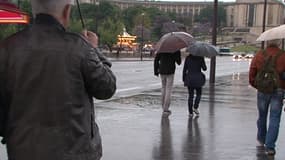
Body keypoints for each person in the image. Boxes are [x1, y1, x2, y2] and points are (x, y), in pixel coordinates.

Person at [0, 0, 116, 160]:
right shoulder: (79, 47)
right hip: (75, 151)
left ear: (34, 11)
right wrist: (94, 50)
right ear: (66, 11)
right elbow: (107, 88)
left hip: (23, 150)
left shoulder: (7, 47)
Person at [249, 40, 285, 156]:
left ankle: (261, 139)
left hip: (262, 90)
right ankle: (270, 147)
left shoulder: (259, 55)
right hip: (278, 89)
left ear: (267, 42)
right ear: (279, 43)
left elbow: (252, 72)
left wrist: (257, 85)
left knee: (262, 115)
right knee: (275, 118)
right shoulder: (283, 55)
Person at [154, 50, 181, 116]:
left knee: (163, 88)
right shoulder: (175, 49)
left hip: (162, 70)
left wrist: (156, 71)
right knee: (168, 89)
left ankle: (163, 106)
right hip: (170, 71)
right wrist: (177, 56)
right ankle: (166, 108)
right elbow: (179, 62)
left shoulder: (162, 48)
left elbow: (156, 60)